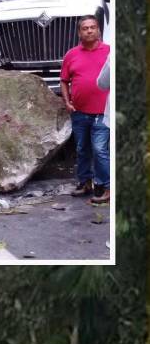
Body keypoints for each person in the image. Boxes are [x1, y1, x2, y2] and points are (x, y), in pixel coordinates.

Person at [60, 15, 111, 206]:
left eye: (93, 27)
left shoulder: (110, 52)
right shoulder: (71, 54)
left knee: (99, 149)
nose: (89, 31)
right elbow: (64, 80)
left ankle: (107, 187)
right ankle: (85, 182)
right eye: (85, 28)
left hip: (103, 112)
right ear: (79, 32)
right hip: (79, 111)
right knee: (82, 149)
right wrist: (67, 102)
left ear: (98, 30)